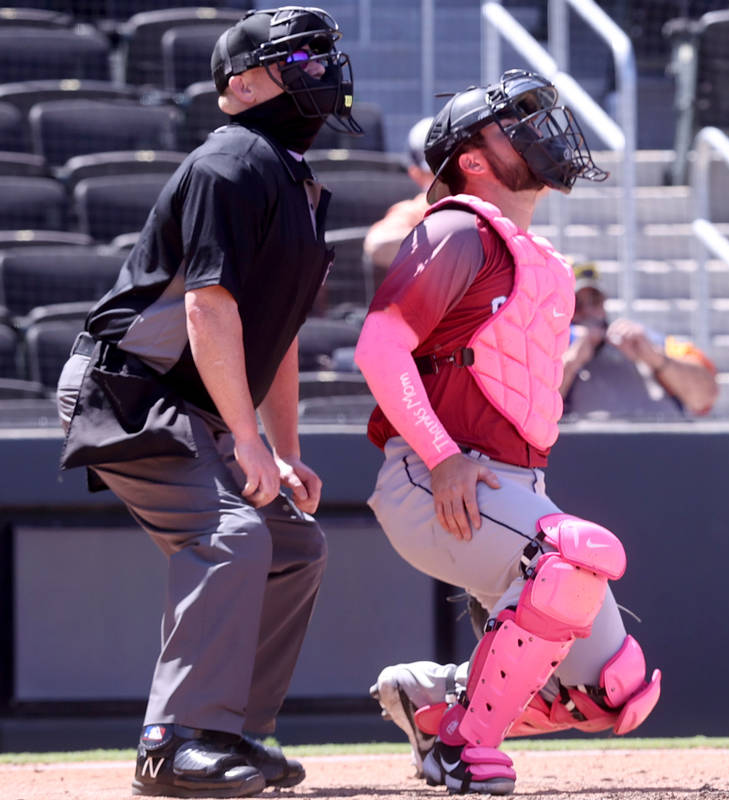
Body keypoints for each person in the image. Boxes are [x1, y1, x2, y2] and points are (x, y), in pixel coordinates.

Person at [55, 7, 361, 797]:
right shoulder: (231, 160)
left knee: (294, 546)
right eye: (302, 59)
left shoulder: (296, 181)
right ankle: (172, 742)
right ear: (240, 85)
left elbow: (280, 332)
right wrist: (247, 437)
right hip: (127, 389)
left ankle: (225, 731)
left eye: (325, 58)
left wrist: (284, 450)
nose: (321, 73)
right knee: (228, 535)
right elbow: (208, 309)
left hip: (193, 401)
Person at [354, 69, 662, 796]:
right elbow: (379, 348)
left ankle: (430, 703)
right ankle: (465, 748)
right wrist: (442, 457)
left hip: (510, 488)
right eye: (514, 124)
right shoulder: (460, 226)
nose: (541, 131)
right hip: (436, 478)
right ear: (473, 160)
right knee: (570, 559)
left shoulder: (538, 257)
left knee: (612, 691)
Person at [560, 260, 719, 420]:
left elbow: (705, 397)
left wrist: (656, 359)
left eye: (594, 300)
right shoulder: (553, 351)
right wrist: (571, 361)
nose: (588, 311)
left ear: (604, 302)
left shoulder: (643, 340)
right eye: (577, 304)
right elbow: (538, 415)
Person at [362, 115, 436, 283]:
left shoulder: (489, 203)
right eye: (434, 170)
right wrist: (451, 239)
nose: (445, 178)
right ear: (415, 173)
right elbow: (378, 244)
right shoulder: (414, 211)